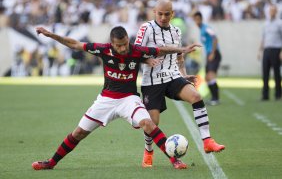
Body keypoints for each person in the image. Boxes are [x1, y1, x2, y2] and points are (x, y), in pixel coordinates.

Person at [32, 26, 200, 170]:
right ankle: (51, 162)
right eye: (119, 46)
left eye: (125, 43)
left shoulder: (136, 50)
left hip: (129, 99)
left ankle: (174, 160)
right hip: (106, 100)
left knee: (148, 123)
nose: (123, 48)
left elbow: (161, 50)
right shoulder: (102, 49)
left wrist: (182, 49)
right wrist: (50, 35)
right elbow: (75, 44)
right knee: (78, 132)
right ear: (112, 43)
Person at [134, 0, 225, 168]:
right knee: (152, 122)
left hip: (172, 76)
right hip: (151, 81)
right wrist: (147, 61)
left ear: (172, 14)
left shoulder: (176, 31)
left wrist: (184, 75)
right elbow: (135, 51)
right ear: (154, 12)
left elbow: (179, 56)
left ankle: (207, 141)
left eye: (167, 14)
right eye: (160, 14)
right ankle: (148, 151)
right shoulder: (146, 28)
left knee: (196, 96)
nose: (163, 17)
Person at [193, 11, 222, 105]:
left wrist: (213, 53)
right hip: (209, 54)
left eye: (198, 19)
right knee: (207, 77)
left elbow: (215, 38)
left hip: (214, 54)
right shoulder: (201, 30)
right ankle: (213, 98)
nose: (197, 21)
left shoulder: (206, 28)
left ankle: (216, 98)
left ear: (201, 19)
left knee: (211, 76)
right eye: (195, 19)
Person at [258, 4, 282, 101]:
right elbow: (263, 38)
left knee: (277, 73)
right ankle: (265, 95)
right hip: (266, 50)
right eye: (270, 11)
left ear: (276, 12)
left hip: (276, 50)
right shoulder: (265, 24)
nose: (271, 12)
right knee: (265, 73)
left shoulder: (280, 23)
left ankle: (278, 94)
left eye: (273, 11)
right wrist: (259, 51)